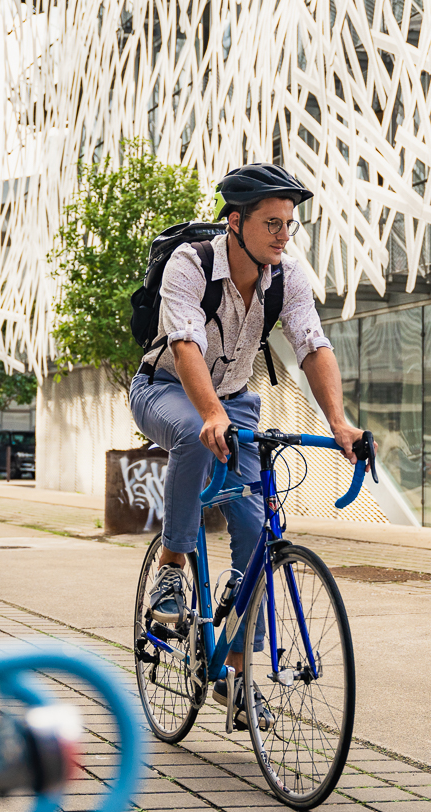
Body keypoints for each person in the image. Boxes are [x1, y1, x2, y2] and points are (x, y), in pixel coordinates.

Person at [130, 163, 362, 728]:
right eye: (272, 223)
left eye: (290, 224)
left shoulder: (287, 276)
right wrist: (208, 413)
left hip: (233, 401)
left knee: (258, 529)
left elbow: (312, 345)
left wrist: (339, 421)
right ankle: (171, 565)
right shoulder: (191, 265)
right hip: (163, 389)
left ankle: (235, 675)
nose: (285, 235)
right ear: (235, 223)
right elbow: (184, 343)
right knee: (191, 432)